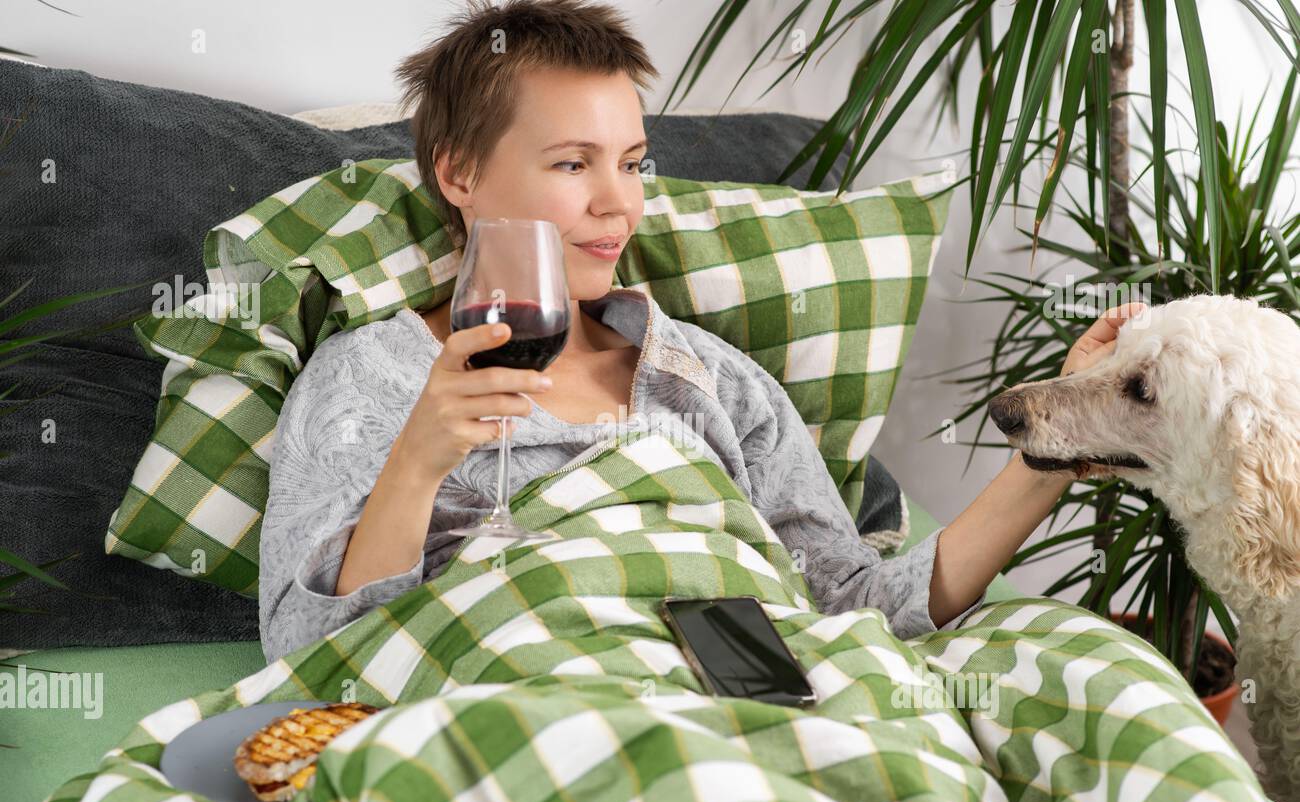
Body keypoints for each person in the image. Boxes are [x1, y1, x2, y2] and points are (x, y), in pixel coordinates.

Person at [258, 0, 1139, 662]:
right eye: (573, 163)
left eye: (634, 164)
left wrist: (1047, 451)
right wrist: (418, 460)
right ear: (458, 171)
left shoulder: (712, 376)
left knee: (1106, 674)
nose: (620, 202)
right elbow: (308, 658)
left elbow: (858, 607)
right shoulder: (368, 377)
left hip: (752, 695)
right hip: (541, 696)